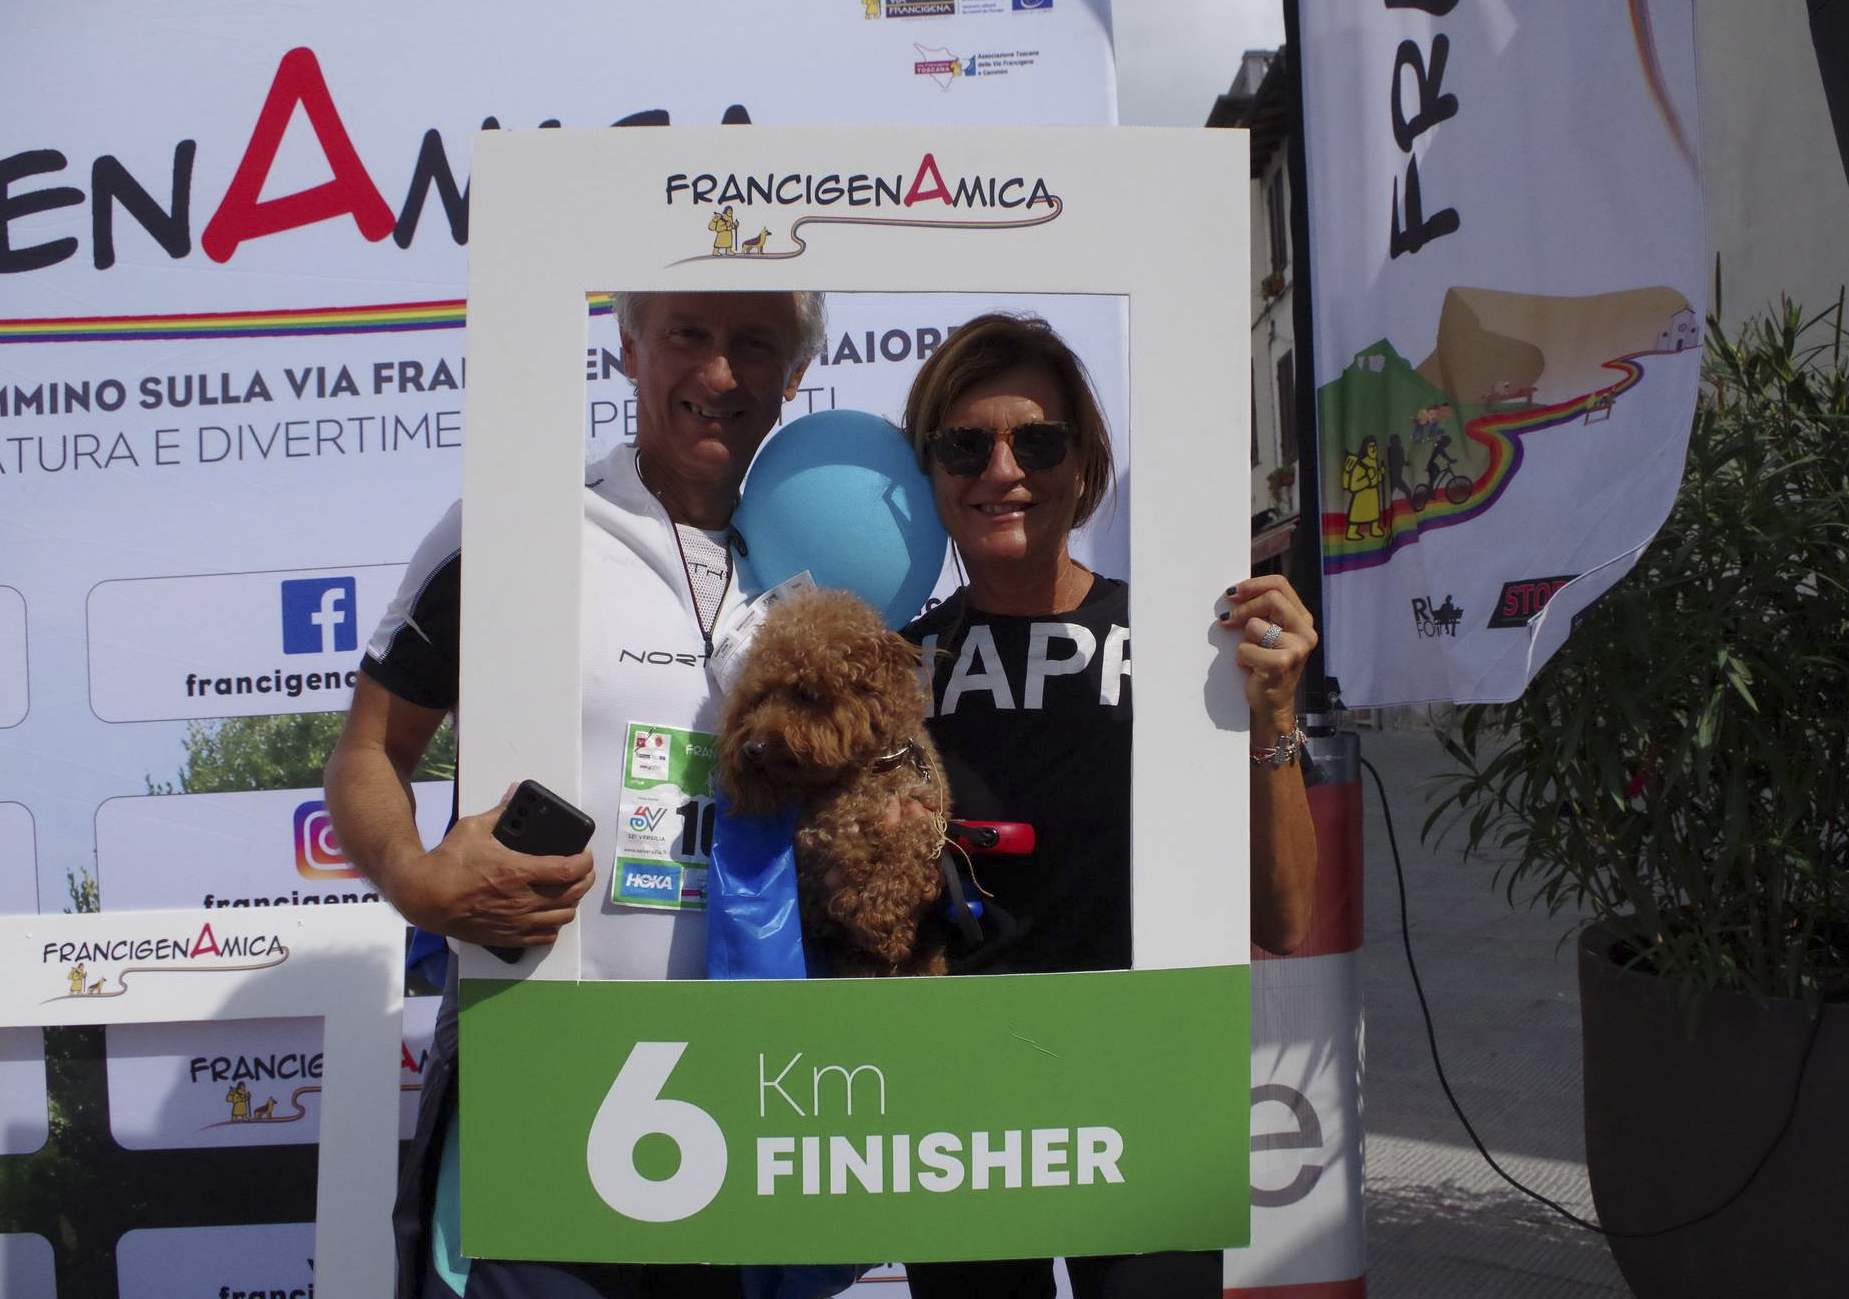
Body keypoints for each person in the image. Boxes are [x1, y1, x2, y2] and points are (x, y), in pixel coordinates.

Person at [323, 288, 825, 1299]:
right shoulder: (515, 530)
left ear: (796, 374)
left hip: (765, 1089)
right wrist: (415, 880)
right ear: (629, 347)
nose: (718, 372)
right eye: (687, 335)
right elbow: (370, 748)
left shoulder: (828, 564)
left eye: (753, 343)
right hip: (542, 1069)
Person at [896, 313, 1319, 1296]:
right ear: (931, 470)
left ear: (1084, 462)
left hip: (1148, 1082)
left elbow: (1285, 919)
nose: (1004, 471)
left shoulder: (1184, 644)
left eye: (1038, 441)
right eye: (966, 445)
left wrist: (1273, 718)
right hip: (953, 1100)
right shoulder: (892, 671)